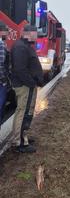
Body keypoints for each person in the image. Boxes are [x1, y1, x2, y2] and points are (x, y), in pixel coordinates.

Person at [11, 24, 44, 153]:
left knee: (25, 111)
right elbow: (20, 69)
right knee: (24, 112)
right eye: (35, 33)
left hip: (27, 85)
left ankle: (22, 137)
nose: (37, 35)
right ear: (28, 33)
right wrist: (31, 83)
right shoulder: (20, 47)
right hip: (25, 86)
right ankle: (20, 143)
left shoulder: (24, 46)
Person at [0, 21, 9, 124]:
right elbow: (1, 64)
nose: (7, 34)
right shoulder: (1, 44)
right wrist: (4, 80)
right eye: (6, 31)